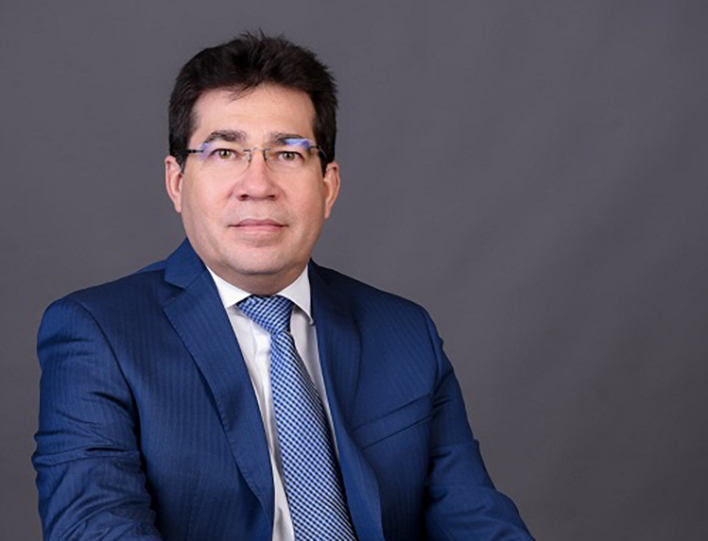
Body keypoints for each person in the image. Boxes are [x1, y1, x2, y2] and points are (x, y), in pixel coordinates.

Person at [33, 32, 535, 541]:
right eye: (225, 152)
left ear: (328, 186)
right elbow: (95, 528)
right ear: (177, 183)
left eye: (289, 154)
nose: (258, 184)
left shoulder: (405, 332)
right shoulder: (99, 334)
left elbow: (477, 520)